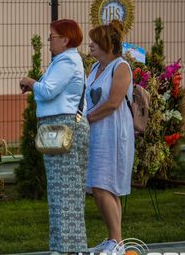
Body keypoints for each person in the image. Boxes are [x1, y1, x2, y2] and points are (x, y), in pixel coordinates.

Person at [20, 19, 89, 255]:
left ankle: (68, 247)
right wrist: (36, 86)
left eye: (52, 36)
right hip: (59, 128)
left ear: (65, 39)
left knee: (65, 190)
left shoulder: (67, 60)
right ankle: (63, 246)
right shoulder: (64, 61)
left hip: (64, 128)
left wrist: (31, 82)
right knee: (61, 189)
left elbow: (49, 90)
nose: (49, 40)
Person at [85, 20, 135, 255]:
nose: (91, 44)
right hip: (96, 132)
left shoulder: (121, 67)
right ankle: (114, 241)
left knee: (104, 185)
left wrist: (86, 119)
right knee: (99, 187)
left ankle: (117, 242)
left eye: (95, 41)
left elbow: (113, 103)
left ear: (107, 44)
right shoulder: (95, 68)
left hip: (113, 133)